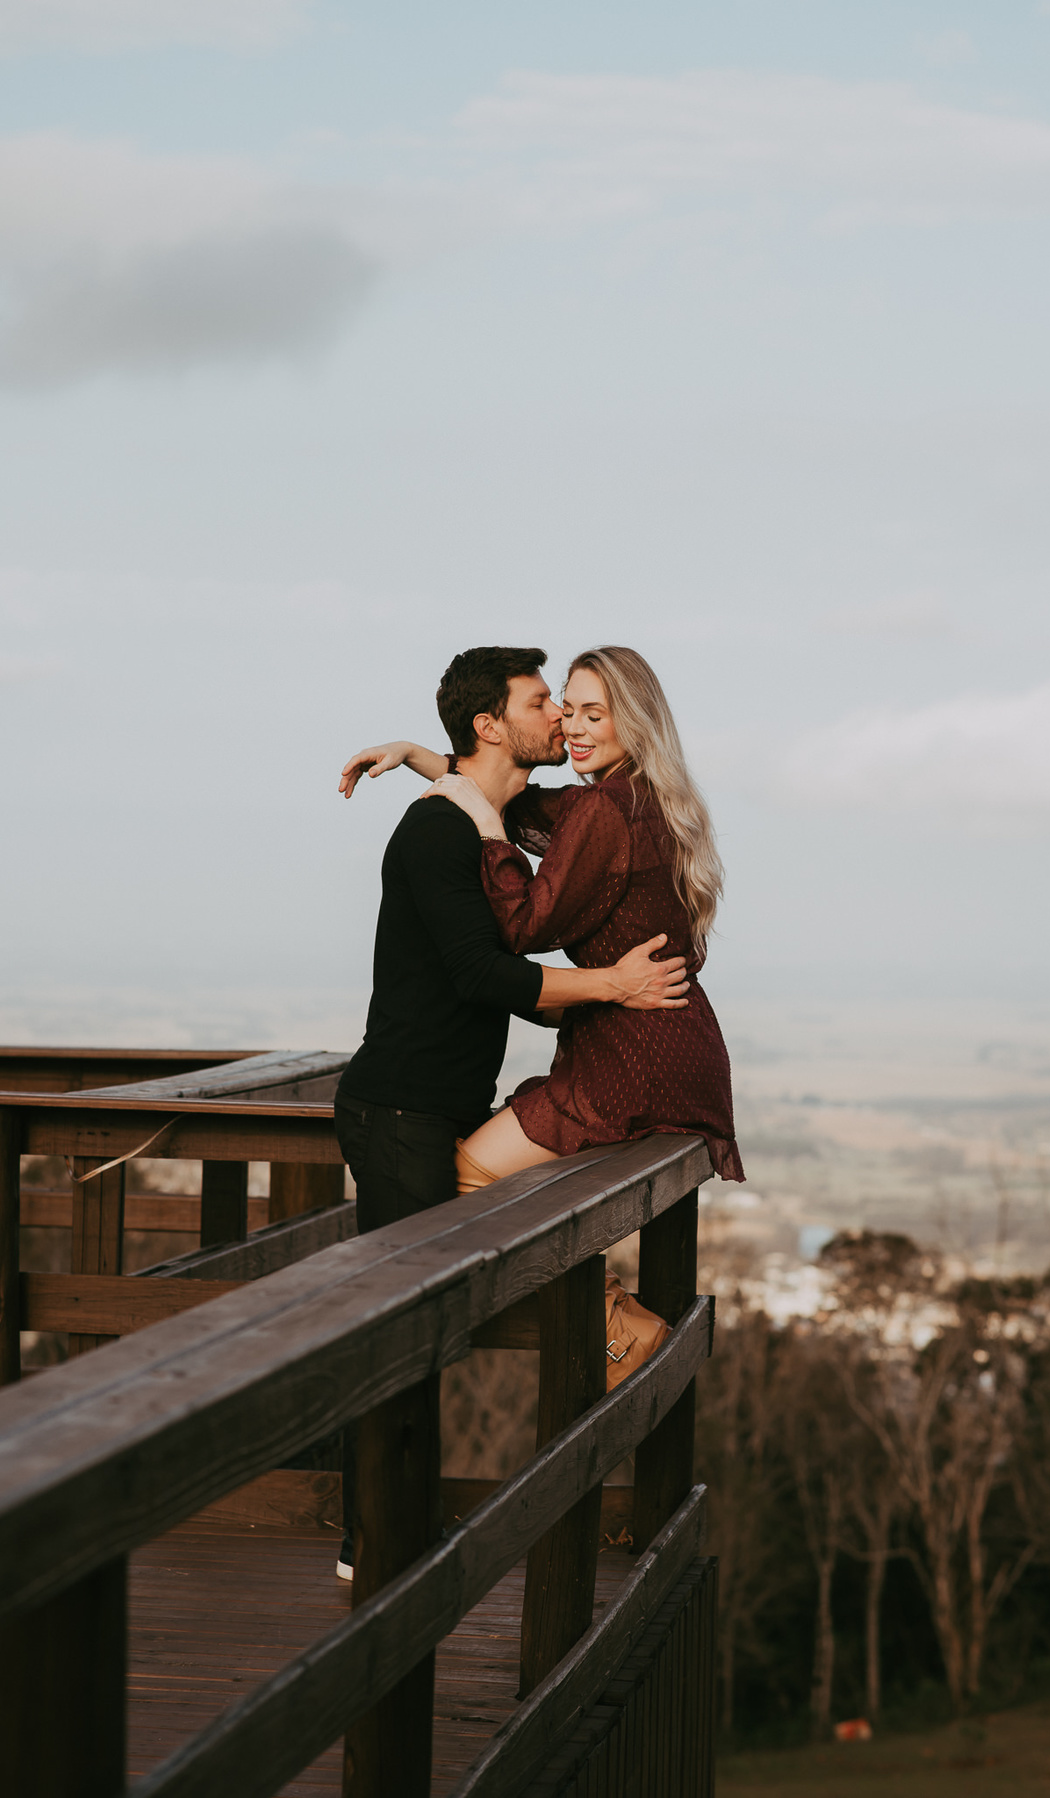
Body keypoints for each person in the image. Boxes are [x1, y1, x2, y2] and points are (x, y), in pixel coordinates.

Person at [331, 644, 690, 1579]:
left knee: (432, 1319)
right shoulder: (435, 836)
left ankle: (389, 1534)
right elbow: (486, 974)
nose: (561, 721)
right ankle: (369, 1544)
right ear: (493, 723)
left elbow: (502, 826)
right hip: (398, 1112)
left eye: (572, 709)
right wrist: (608, 983)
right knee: (400, 1340)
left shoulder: (480, 815)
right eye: (545, 704)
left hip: (439, 1108)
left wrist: (420, 752)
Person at [387, 644, 743, 1193]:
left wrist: (487, 831)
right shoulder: (642, 797)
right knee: (546, 1193)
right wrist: (419, 755)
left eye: (593, 715)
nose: (571, 726)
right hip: (678, 1044)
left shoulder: (603, 807)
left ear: (636, 720)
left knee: (466, 1179)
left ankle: (596, 1287)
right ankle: (593, 1283)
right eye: (568, 708)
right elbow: (515, 803)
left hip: (631, 1054)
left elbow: (524, 926)